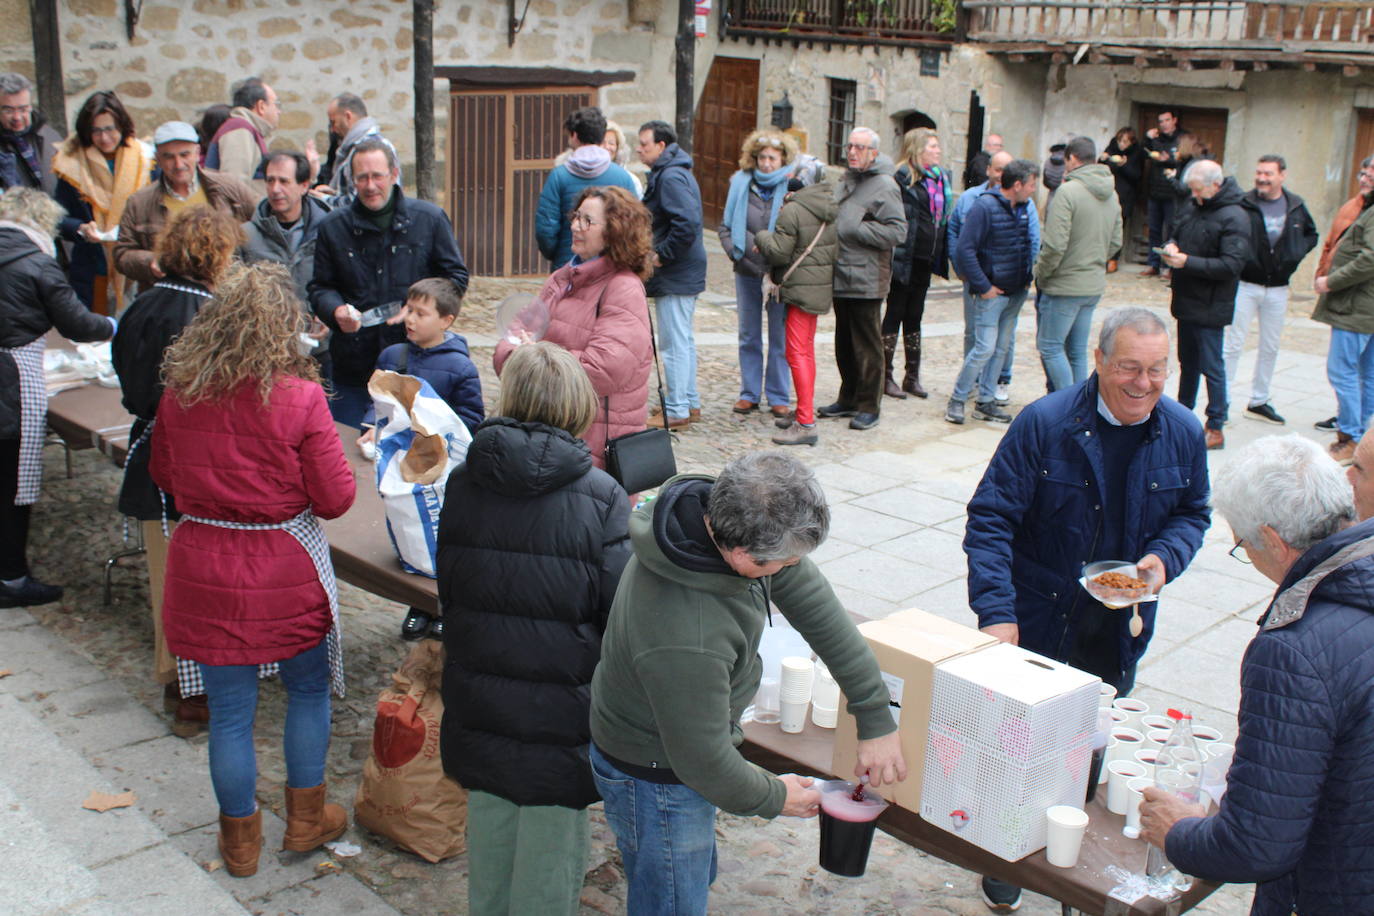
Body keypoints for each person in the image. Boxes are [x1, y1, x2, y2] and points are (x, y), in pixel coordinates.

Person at [965, 307, 1209, 912]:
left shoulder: (1181, 429)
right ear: (1098, 360)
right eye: (1129, 367)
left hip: (1118, 625)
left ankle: (1071, 869)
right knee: (1017, 747)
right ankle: (1004, 854)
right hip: (1038, 619)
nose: (1143, 383)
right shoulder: (1045, 423)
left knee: (1091, 753)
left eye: (1157, 370)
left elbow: (1194, 514)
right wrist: (997, 613)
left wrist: (1161, 559)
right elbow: (991, 520)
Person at [588, 451, 907, 915]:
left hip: (682, 747)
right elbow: (703, 763)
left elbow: (824, 618)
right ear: (741, 555)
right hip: (654, 774)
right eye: (782, 563)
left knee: (689, 877)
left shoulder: (719, 515)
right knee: (673, 901)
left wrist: (875, 717)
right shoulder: (686, 635)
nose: (791, 569)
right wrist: (775, 797)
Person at [150, 262, 355, 879]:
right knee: (308, 690)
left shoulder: (180, 391)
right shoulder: (301, 397)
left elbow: (164, 475)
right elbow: (337, 497)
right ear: (282, 330)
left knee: (231, 712)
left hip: (204, 564)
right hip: (281, 569)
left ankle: (240, 845)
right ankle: (304, 819)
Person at [1139, 434, 1374, 916]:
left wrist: (1179, 831)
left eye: (1242, 544)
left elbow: (1257, 845)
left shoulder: (1292, 649)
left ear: (1272, 539)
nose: (1248, 554)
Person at [438, 341, 631, 916]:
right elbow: (617, 612)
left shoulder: (463, 482)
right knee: (549, 854)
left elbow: (451, 584)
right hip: (560, 709)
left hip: (480, 693)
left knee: (491, 828)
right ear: (577, 407)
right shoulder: (601, 498)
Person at [112, 205, 244, 735]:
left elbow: (126, 380)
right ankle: (197, 695)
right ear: (218, 255)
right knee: (203, 587)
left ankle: (178, 684)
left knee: (166, 581)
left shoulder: (141, 308)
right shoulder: (216, 318)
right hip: (199, 468)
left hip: (150, 455)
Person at [0, 188, 116, 607]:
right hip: (12, 379)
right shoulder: (37, 264)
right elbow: (78, 324)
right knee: (13, 483)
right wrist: (112, 326)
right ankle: (11, 578)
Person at [309, 137, 469, 427]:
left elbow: (455, 278)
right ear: (352, 180)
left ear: (394, 175)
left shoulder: (429, 220)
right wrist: (335, 311)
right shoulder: (333, 227)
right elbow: (320, 287)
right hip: (353, 365)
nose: (370, 186)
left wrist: (419, 308)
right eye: (362, 177)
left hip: (417, 363)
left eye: (377, 176)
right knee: (352, 454)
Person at [495, 185, 653, 471]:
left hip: (594, 446)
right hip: (552, 436)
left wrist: (533, 357)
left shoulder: (623, 288)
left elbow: (603, 370)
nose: (575, 226)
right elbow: (512, 340)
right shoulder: (562, 277)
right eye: (576, 217)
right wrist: (520, 355)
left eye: (587, 221)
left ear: (615, 230)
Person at [360, 276, 483, 643]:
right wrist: (370, 426)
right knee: (412, 537)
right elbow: (379, 402)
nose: (410, 319)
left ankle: (445, 604)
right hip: (404, 469)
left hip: (442, 473)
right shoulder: (392, 357)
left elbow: (470, 418)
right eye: (409, 310)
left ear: (446, 320)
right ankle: (420, 604)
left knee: (444, 538)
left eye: (421, 313)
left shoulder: (460, 367)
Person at [818, 127, 907, 432]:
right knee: (843, 341)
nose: (853, 152)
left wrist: (856, 230)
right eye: (850, 146)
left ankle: (870, 405)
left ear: (874, 152)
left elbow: (898, 231)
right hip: (841, 273)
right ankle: (849, 397)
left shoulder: (885, 185)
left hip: (867, 278)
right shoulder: (848, 179)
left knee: (867, 344)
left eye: (860, 147)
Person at [1160, 159, 1249, 451]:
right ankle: (1183, 415)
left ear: (1215, 185)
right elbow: (1178, 229)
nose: (1195, 195)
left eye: (1199, 190)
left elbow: (1232, 264)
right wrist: (1172, 245)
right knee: (1188, 363)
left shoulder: (1235, 216)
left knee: (1212, 367)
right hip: (1186, 299)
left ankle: (1215, 425)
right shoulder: (1194, 204)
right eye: (1193, 191)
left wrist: (1188, 262)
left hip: (1212, 304)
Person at [1226, 155, 1319, 427]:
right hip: (1246, 284)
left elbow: (1311, 235)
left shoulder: (1296, 205)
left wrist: (1293, 256)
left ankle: (1259, 400)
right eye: (1259, 173)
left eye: (1268, 173)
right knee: (1233, 344)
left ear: (1282, 175)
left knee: (1270, 346)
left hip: (1278, 287)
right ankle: (1223, 400)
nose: (1262, 179)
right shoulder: (1244, 203)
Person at [947, 159, 1040, 426]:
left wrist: (1025, 279)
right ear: (1018, 184)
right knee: (984, 348)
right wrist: (983, 286)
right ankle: (958, 398)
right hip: (992, 293)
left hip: (1015, 291)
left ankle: (986, 401)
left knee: (1000, 349)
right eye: (1032, 184)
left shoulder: (1023, 207)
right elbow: (965, 249)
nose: (1034, 190)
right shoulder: (984, 207)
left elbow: (1029, 243)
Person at [114, 120, 257, 291]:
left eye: (184, 155)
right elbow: (122, 253)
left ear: (197, 153)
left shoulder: (229, 189)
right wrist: (150, 261)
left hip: (225, 296)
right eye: (169, 156)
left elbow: (262, 221)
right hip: (167, 300)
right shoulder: (139, 202)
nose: (178, 164)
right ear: (158, 159)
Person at [718, 129, 799, 420]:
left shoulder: (792, 186)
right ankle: (749, 392)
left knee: (780, 336)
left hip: (780, 274)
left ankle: (778, 395)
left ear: (782, 160)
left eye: (772, 158)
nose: (766, 164)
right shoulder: (740, 184)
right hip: (746, 270)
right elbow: (725, 226)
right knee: (749, 333)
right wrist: (735, 252)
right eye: (762, 157)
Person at [50, 90, 152, 312]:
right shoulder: (72, 165)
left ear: (122, 126)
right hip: (92, 266)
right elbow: (57, 216)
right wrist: (80, 228)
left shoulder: (145, 160)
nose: (104, 138)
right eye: (96, 131)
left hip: (137, 266)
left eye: (110, 129)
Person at [1035, 135, 1123, 392]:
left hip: (1064, 284)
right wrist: (1094, 259)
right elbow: (1116, 242)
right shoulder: (1112, 193)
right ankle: (1082, 404)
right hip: (1092, 284)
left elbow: (1054, 245)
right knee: (1075, 351)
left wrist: (1041, 274)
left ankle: (1068, 406)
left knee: (1051, 347)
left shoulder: (1068, 191)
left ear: (1072, 159)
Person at [755, 176, 837, 447]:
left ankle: (805, 422)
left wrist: (761, 235)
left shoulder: (794, 208)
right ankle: (805, 411)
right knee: (806, 352)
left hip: (800, 289)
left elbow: (778, 251)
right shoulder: (825, 205)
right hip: (815, 287)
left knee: (797, 353)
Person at [637, 120, 706, 429]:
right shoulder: (672, 173)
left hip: (676, 273)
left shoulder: (671, 177)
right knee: (682, 341)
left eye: (644, 144)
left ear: (662, 146)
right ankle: (688, 403)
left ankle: (676, 409)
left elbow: (687, 224)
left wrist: (661, 255)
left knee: (673, 343)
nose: (639, 149)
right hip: (682, 272)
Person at [238, 150, 332, 369]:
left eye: (284, 181)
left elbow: (343, 284)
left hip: (317, 351)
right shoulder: (246, 235)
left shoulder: (329, 231)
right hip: (263, 354)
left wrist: (328, 315)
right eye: (270, 181)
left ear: (304, 186)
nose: (275, 189)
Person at [884, 127, 950, 400]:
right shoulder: (903, 178)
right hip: (904, 258)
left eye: (937, 146)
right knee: (895, 314)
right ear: (917, 149)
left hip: (924, 258)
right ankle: (883, 374)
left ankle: (912, 375)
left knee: (915, 316)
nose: (937, 150)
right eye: (932, 146)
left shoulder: (939, 180)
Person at [1312, 156, 1374, 433]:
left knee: (1343, 372)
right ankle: (1361, 430)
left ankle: (1350, 434)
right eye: (1364, 171)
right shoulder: (1359, 206)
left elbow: (1369, 259)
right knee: (1366, 374)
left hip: (1356, 307)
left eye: (1373, 172)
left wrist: (1332, 282)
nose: (1366, 176)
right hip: (1361, 306)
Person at [536, 106, 639, 269]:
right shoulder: (623, 177)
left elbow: (546, 227)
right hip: (612, 264)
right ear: (601, 136)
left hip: (568, 264)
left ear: (574, 136)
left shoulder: (559, 176)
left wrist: (556, 254)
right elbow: (634, 225)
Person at [205, 77, 296, 194]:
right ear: (261, 106)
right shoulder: (239, 129)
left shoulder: (245, 129)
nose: (279, 111)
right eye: (276, 104)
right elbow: (234, 185)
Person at [316, 93, 398, 204]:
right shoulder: (355, 147)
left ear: (348, 116)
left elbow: (362, 204)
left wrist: (324, 200)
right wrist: (334, 193)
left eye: (333, 122)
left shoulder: (365, 149)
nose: (333, 129)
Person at [0, 73, 61, 194]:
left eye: (23, 109)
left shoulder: (50, 136)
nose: (17, 117)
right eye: (8, 111)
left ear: (31, 106)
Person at [1142, 110, 1182, 277]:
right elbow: (1141, 153)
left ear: (1174, 120)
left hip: (1173, 193)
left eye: (1167, 120)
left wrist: (1167, 161)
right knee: (1154, 229)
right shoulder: (1155, 139)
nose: (1164, 124)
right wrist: (1147, 138)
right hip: (1155, 191)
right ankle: (1153, 264)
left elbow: (1183, 160)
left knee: (1173, 230)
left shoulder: (1181, 139)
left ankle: (1171, 266)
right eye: (1161, 121)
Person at [1100, 126, 1144, 272]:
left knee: (1118, 229)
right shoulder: (1112, 148)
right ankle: (1101, 257)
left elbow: (1136, 176)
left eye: (1125, 141)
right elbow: (1101, 168)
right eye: (1120, 141)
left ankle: (1113, 259)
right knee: (1103, 228)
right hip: (1108, 193)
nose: (1122, 144)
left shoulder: (1136, 153)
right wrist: (1103, 159)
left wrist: (1123, 166)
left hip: (1125, 196)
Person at [602, 119, 644, 197]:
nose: (607, 147)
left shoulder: (630, 178)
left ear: (618, 147)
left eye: (611, 143)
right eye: (602, 142)